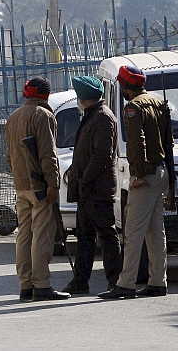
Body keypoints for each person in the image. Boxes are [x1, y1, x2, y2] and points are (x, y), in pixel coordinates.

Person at [99, 65, 170, 299]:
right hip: (160, 173)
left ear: (125, 86)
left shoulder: (133, 107)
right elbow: (167, 142)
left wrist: (138, 175)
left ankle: (126, 283)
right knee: (155, 231)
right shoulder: (158, 103)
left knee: (133, 231)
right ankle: (158, 281)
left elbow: (137, 142)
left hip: (146, 175)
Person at [6, 76, 71, 302]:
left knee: (24, 234)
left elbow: (9, 156)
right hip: (40, 186)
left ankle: (26, 286)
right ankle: (42, 285)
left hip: (21, 185)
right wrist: (52, 184)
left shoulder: (13, 117)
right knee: (42, 236)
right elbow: (48, 153)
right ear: (46, 95)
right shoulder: (43, 115)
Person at [62, 76, 122, 294]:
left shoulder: (103, 117)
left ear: (84, 97)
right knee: (84, 237)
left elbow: (102, 155)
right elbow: (86, 151)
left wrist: (85, 178)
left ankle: (116, 282)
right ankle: (80, 281)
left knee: (106, 234)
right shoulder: (91, 116)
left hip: (97, 189)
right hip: (86, 189)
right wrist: (75, 173)